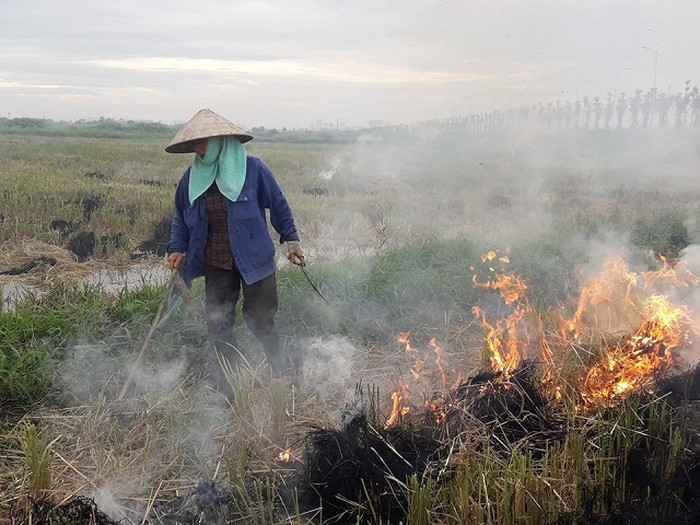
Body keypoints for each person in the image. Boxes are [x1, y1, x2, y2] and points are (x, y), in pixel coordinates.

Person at [165, 108, 304, 376]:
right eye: (195, 143)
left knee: (260, 320)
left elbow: (278, 204)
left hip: (254, 261)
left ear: (220, 141)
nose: (199, 148)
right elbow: (180, 217)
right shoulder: (191, 178)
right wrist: (176, 247)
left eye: (204, 142)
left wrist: (291, 241)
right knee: (218, 325)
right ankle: (230, 380)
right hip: (216, 262)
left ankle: (281, 373)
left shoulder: (253, 170)